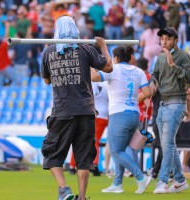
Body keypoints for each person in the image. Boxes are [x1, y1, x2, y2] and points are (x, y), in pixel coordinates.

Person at [40, 16, 112, 200]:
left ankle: (64, 190)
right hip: (86, 111)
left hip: (63, 111)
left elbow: (47, 80)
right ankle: (82, 197)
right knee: (84, 158)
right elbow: (109, 67)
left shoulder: (48, 52)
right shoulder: (86, 48)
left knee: (51, 153)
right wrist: (103, 46)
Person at [91, 45, 152, 194]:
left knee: (116, 150)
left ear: (116, 58)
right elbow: (147, 93)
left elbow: (93, 77)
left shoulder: (114, 69)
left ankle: (140, 176)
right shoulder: (138, 72)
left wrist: (90, 62)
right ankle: (117, 183)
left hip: (119, 114)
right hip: (134, 114)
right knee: (122, 150)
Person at [149, 27, 190, 194]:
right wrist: (153, 82)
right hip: (162, 103)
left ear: (176, 40)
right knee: (168, 144)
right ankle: (181, 180)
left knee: (167, 144)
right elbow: (155, 74)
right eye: (162, 39)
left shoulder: (184, 56)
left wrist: (173, 65)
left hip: (177, 102)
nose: (164, 42)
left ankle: (162, 181)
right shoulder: (160, 57)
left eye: (168, 39)